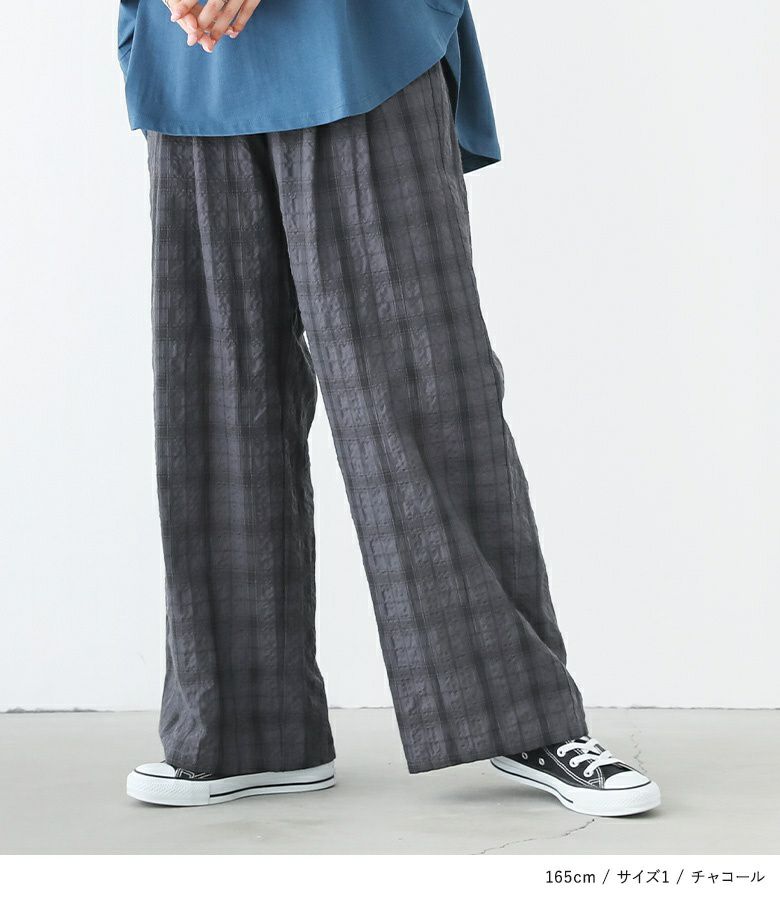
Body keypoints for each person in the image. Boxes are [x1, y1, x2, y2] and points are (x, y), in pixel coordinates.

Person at [120, 0, 660, 817]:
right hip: (190, 57)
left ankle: (524, 716)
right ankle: (245, 732)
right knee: (218, 406)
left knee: (421, 391)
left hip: (359, 41)